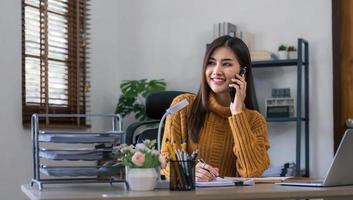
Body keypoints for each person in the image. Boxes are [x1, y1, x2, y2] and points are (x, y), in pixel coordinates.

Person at [161, 35, 270, 182]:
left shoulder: (254, 120)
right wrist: (189, 170)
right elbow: (165, 162)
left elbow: (252, 172)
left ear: (243, 72)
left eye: (226, 64)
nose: (216, 71)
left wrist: (237, 113)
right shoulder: (183, 106)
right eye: (211, 63)